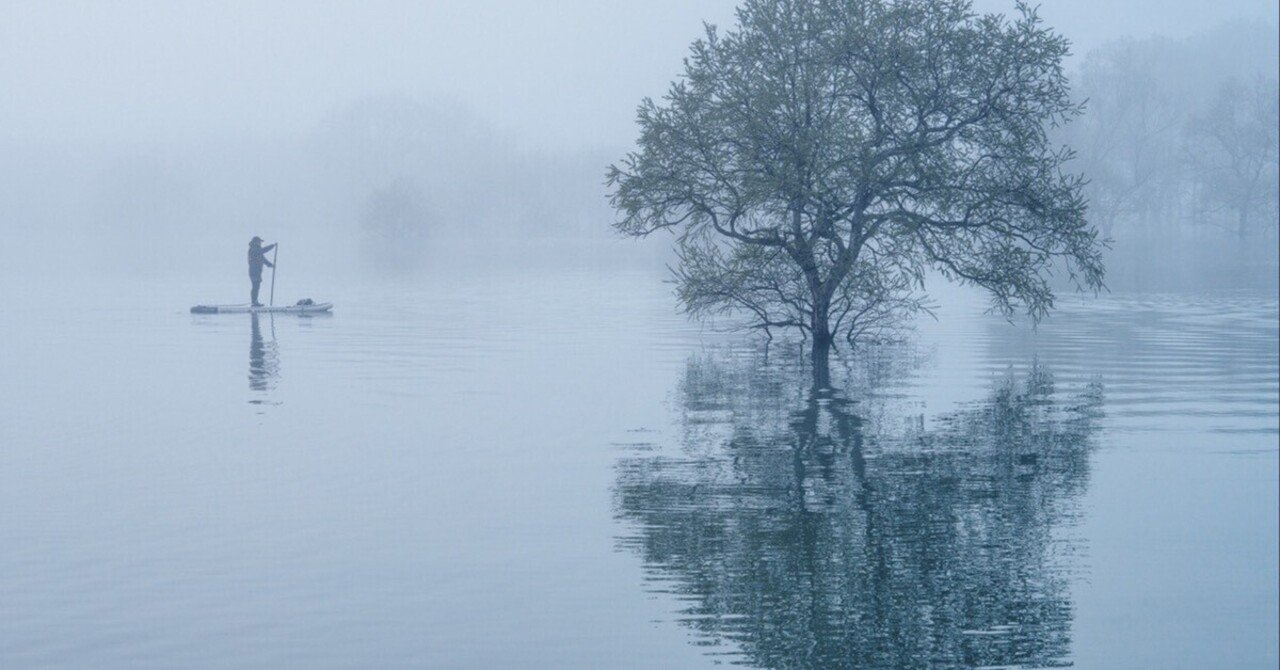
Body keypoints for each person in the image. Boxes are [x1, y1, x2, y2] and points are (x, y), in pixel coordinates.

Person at [248, 236, 277, 307]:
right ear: (256, 242)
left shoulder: (257, 250)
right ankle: (254, 302)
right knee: (255, 286)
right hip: (254, 271)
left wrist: (271, 265)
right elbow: (263, 250)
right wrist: (272, 246)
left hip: (257, 271)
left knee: (256, 286)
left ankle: (255, 301)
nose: (260, 243)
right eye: (259, 242)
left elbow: (263, 260)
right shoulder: (254, 249)